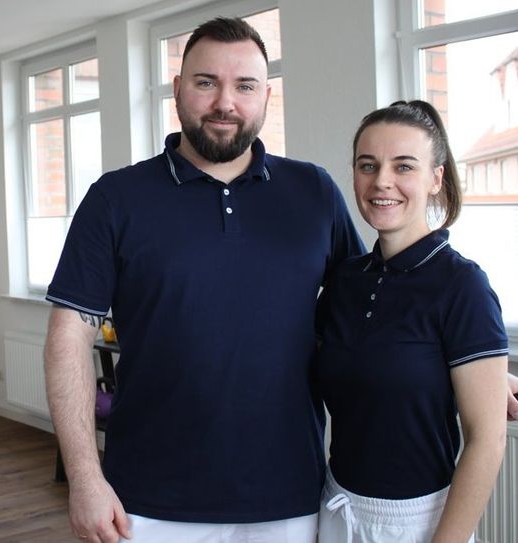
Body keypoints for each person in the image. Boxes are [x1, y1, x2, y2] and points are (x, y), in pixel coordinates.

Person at [44, 16, 365, 543]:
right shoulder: (115, 199)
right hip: (145, 503)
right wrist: (84, 479)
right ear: (178, 89)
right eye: (205, 82)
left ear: (266, 95)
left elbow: (369, 311)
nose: (225, 103)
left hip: (289, 496)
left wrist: (468, 367)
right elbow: (68, 337)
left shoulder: (314, 192)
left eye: (245, 86)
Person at [315, 100, 509, 543]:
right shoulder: (345, 282)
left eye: (404, 166)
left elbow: (488, 440)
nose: (382, 181)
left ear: (435, 178)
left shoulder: (462, 285)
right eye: (368, 165)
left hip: (421, 523)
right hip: (337, 508)